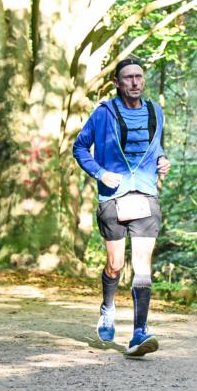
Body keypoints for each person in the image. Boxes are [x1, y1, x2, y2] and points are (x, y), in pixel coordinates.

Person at [73, 57, 171, 357]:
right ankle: (108, 307)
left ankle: (139, 332)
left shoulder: (156, 111)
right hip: (113, 199)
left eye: (138, 77)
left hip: (145, 198)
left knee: (142, 266)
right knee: (115, 264)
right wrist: (101, 173)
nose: (134, 82)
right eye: (127, 78)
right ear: (116, 82)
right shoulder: (103, 113)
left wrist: (162, 161)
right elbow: (80, 147)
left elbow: (157, 148)